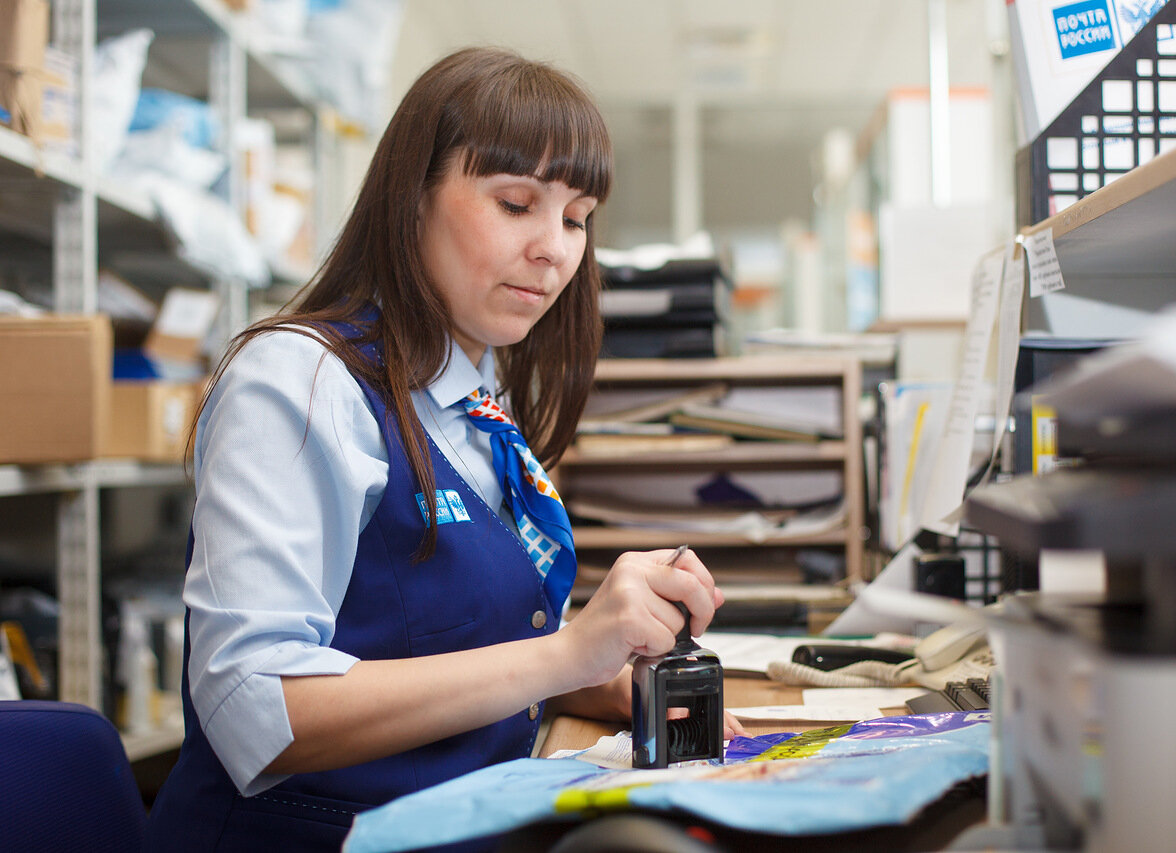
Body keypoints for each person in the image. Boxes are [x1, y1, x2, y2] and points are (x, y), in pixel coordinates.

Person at [143, 46, 744, 853]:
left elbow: (458, 645)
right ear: (411, 197)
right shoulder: (299, 380)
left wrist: (606, 668)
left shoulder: (472, 397)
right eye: (515, 203)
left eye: (575, 217)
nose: (555, 250)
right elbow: (258, 710)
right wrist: (565, 652)